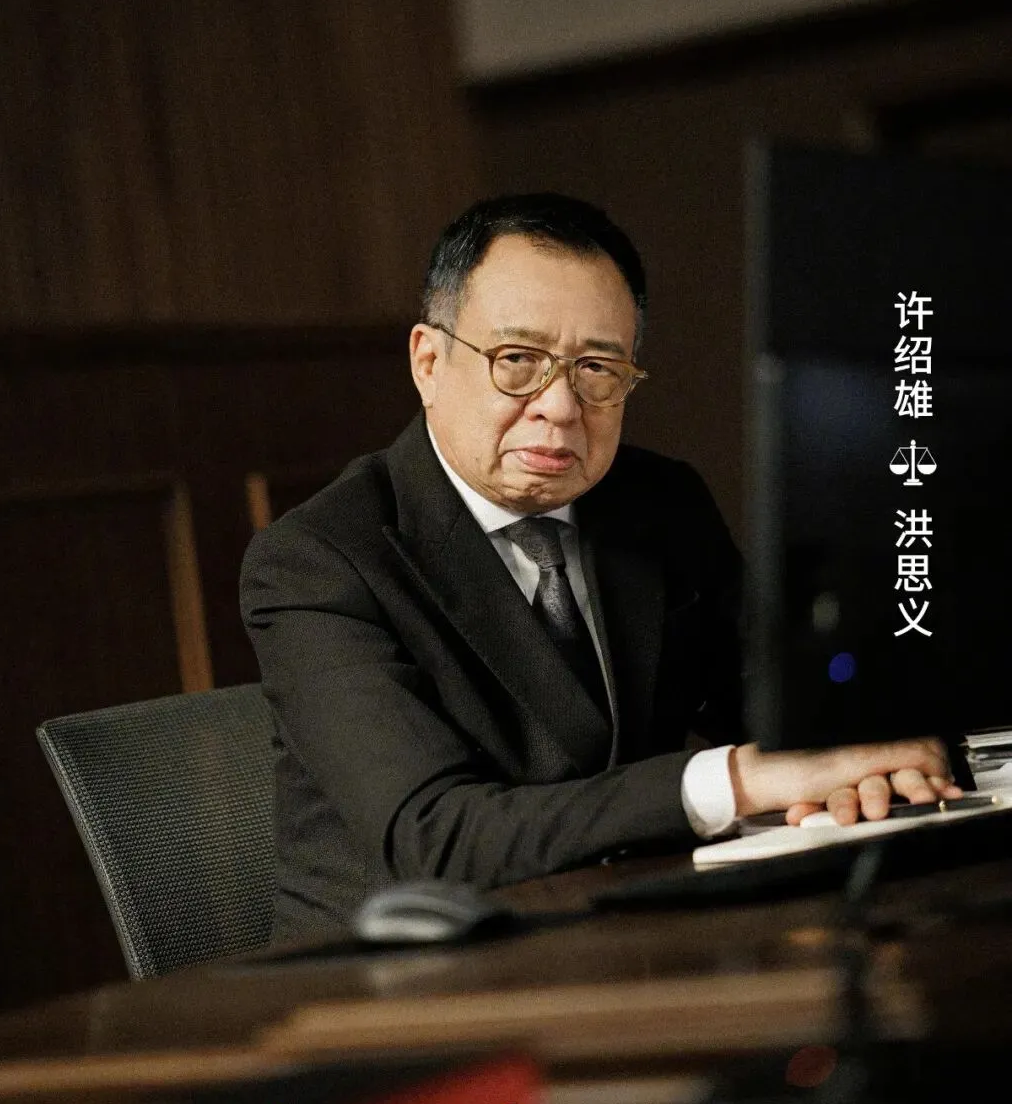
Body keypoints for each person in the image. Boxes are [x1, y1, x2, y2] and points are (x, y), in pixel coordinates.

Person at [241, 193, 958, 939]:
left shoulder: (661, 502)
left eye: (597, 368)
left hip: (635, 927)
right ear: (428, 362)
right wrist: (742, 778)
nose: (560, 406)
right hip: (408, 968)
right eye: (517, 362)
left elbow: (779, 700)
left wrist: (859, 757)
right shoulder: (319, 560)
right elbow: (438, 838)